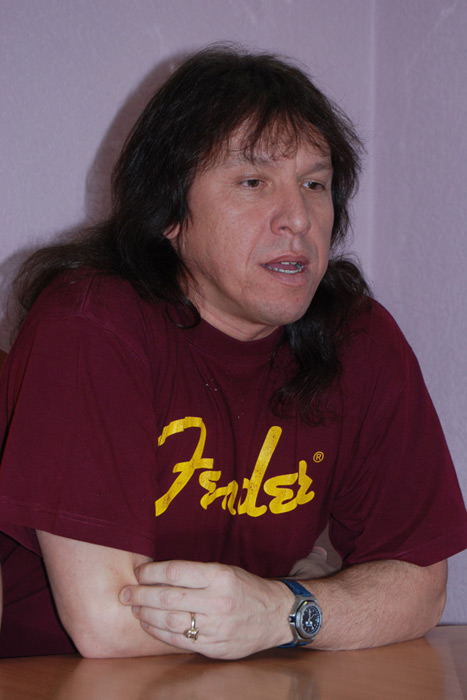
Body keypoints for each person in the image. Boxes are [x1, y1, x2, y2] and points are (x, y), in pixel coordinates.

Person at [0, 44, 466, 659]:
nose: (297, 218)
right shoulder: (91, 324)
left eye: (315, 184)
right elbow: (106, 622)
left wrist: (284, 611)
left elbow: (420, 588)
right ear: (170, 214)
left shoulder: (358, 337)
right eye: (253, 182)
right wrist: (304, 612)